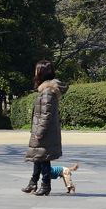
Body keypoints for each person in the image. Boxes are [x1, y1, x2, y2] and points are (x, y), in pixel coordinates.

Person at [23, 60, 67, 196]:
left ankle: (45, 185)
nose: (35, 72)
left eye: (37, 70)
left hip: (45, 131)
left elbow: (46, 114)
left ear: (42, 72)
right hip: (41, 129)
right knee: (38, 157)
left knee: (44, 159)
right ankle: (33, 182)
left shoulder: (47, 91)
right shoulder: (45, 89)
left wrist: (40, 131)